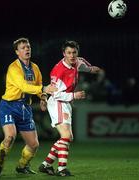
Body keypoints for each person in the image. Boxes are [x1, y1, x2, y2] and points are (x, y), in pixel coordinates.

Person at [0, 37, 57, 176]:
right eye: (23, 48)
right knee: (10, 136)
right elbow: (24, 87)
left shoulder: (35, 68)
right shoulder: (14, 68)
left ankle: (22, 166)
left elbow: (38, 86)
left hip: (25, 108)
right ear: (17, 52)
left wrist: (43, 98)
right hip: (9, 105)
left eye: (28, 47)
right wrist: (44, 89)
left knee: (34, 145)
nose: (27, 49)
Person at [38, 40, 101, 176]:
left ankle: (46, 164)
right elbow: (55, 93)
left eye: (74, 52)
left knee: (67, 137)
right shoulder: (58, 71)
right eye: (68, 53)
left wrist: (90, 69)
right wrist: (74, 95)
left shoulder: (77, 61)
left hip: (65, 103)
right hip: (57, 102)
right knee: (66, 135)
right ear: (63, 54)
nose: (72, 56)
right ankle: (61, 169)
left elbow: (82, 64)